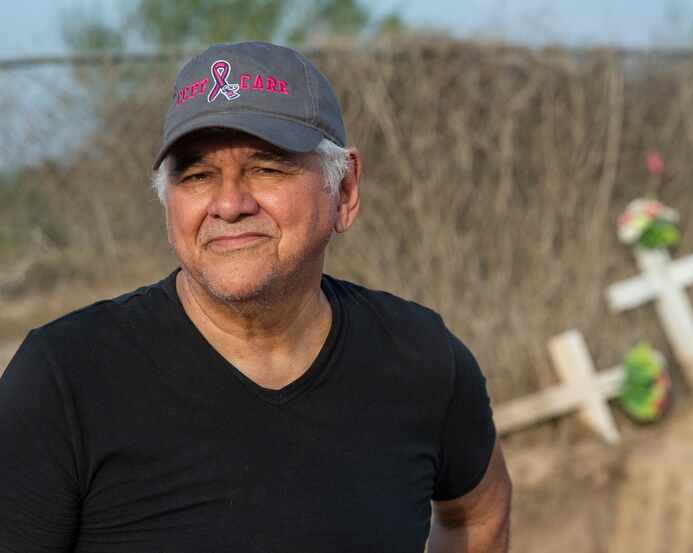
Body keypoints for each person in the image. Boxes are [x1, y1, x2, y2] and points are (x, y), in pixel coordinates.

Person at [0, 41, 511, 552]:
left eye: (267, 168)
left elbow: (477, 514)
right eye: (198, 175)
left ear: (346, 190)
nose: (229, 204)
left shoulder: (419, 358)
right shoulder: (65, 380)